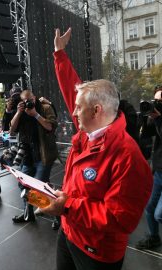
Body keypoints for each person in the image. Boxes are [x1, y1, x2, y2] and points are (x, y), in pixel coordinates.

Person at [39, 28, 153, 270]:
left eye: (78, 108)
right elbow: (73, 90)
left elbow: (119, 219)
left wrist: (66, 206)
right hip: (69, 232)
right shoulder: (88, 128)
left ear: (97, 111)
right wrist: (60, 54)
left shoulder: (128, 157)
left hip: (97, 252)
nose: (74, 111)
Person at [10, 89, 58, 224]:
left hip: (43, 154)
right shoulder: (21, 111)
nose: (28, 103)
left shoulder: (45, 108)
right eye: (25, 101)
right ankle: (28, 213)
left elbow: (50, 127)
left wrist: (35, 114)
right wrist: (19, 112)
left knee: (38, 188)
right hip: (27, 156)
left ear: (34, 97)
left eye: (30, 100)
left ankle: (58, 215)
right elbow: (12, 129)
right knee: (23, 185)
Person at [136, 89, 162, 250]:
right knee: (150, 209)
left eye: (159, 102)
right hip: (159, 172)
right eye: (155, 100)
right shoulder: (158, 118)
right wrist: (144, 120)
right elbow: (145, 135)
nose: (156, 104)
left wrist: (158, 118)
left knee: (159, 214)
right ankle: (154, 238)